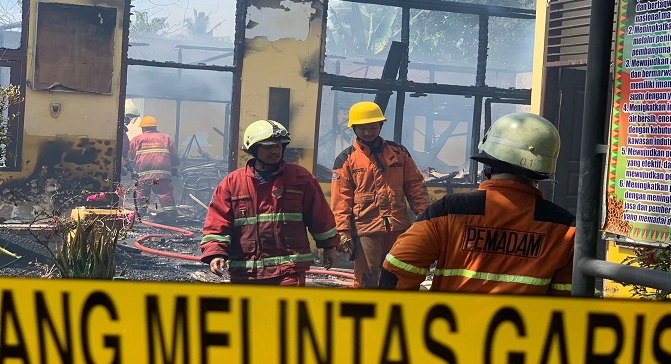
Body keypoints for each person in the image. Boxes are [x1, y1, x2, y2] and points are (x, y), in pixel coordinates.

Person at [380, 112, 575, 295]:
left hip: (451, 328)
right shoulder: (565, 228)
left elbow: (398, 268)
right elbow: (567, 297)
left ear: (489, 162)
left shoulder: (448, 211)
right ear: (544, 170)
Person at [200, 120, 348, 285]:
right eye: (269, 147)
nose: (275, 151)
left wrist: (329, 248)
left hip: (289, 271)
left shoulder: (301, 179)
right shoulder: (233, 183)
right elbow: (218, 221)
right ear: (254, 149)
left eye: (278, 146)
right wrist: (216, 253)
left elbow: (320, 217)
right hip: (245, 272)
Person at [331, 101, 431, 288]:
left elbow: (415, 185)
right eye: (362, 128)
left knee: (401, 277)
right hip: (366, 230)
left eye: (372, 127)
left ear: (381, 125)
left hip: (399, 227)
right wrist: (343, 232)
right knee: (367, 280)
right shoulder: (346, 159)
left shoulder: (399, 153)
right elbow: (341, 201)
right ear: (354, 128)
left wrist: (425, 215)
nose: (368, 132)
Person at [128, 116, 180, 220]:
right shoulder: (166, 138)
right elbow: (174, 156)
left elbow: (131, 156)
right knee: (164, 192)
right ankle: (170, 215)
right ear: (155, 127)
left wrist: (133, 170)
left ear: (143, 128)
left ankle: (140, 214)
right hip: (159, 177)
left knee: (142, 192)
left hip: (143, 176)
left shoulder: (136, 140)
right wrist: (174, 170)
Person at [120, 100, 139, 176]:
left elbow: (125, 154)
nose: (130, 121)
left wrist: (132, 171)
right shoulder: (120, 132)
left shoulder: (122, 131)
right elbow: (123, 152)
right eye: (130, 118)